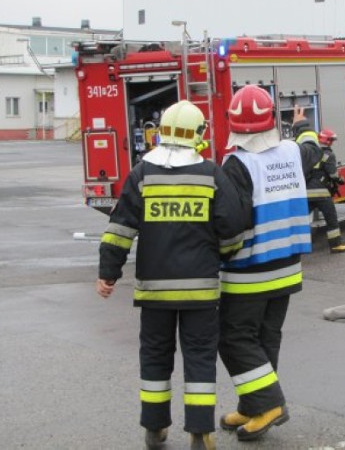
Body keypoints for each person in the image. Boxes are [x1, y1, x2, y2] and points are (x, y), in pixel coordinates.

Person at [95, 100, 245, 450]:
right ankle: (199, 433)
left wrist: (108, 274)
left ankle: (154, 427)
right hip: (200, 292)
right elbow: (233, 229)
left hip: (154, 292)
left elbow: (119, 229)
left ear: (160, 132)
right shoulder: (211, 173)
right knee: (199, 360)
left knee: (155, 357)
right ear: (198, 135)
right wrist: (223, 255)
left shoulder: (142, 173)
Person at [218, 85, 312, 441]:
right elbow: (313, 150)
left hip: (250, 271)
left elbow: (232, 223)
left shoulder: (237, 164)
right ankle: (252, 405)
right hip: (288, 266)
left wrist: (218, 254)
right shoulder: (292, 151)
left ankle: (270, 403)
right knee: (264, 337)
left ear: (233, 123)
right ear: (271, 118)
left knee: (233, 338)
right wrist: (303, 126)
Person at [295, 121, 345, 253]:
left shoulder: (310, 152)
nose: (332, 143)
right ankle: (336, 245)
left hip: (306, 191)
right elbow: (333, 174)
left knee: (300, 218)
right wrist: (341, 180)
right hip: (321, 193)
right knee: (331, 217)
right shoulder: (328, 155)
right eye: (332, 140)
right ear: (328, 141)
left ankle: (296, 247)